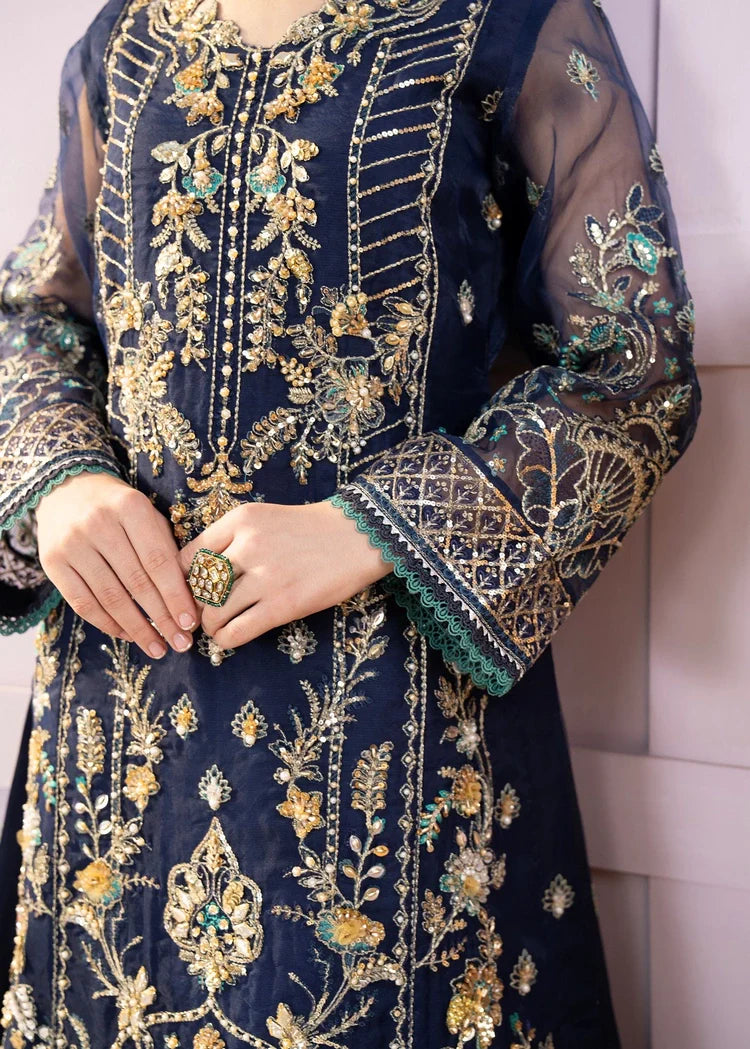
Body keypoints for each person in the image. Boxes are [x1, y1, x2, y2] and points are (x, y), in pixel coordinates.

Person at [0, 0, 701, 1046]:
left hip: (394, 718)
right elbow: (34, 315)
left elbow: (635, 367)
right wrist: (60, 480)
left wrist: (370, 527)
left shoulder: (510, 21)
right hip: (120, 721)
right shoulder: (127, 39)